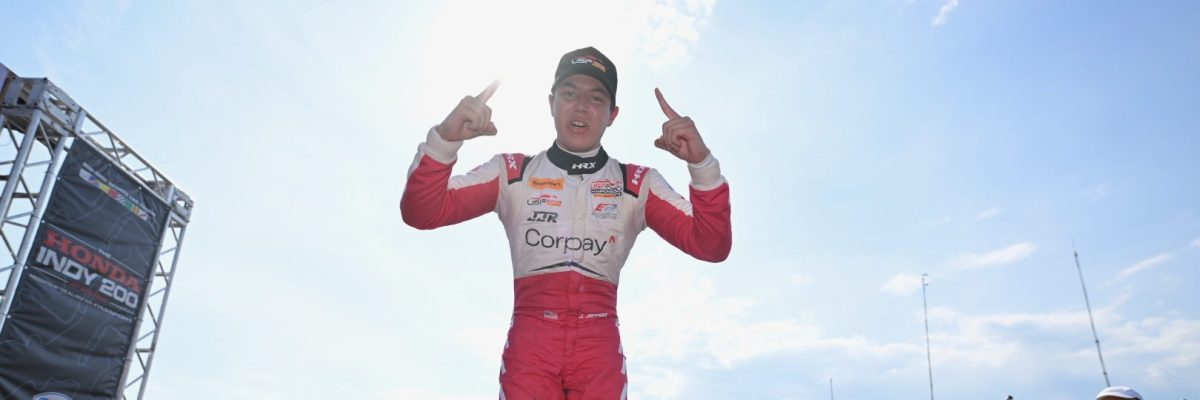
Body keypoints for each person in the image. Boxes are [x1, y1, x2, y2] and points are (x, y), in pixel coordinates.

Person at [400, 46, 732, 399]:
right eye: (569, 93)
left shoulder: (637, 183)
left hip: (599, 345)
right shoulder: (512, 172)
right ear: (551, 103)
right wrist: (445, 139)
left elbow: (711, 246)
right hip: (531, 342)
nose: (581, 106)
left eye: (596, 97)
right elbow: (422, 212)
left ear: (612, 114)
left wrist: (702, 165)